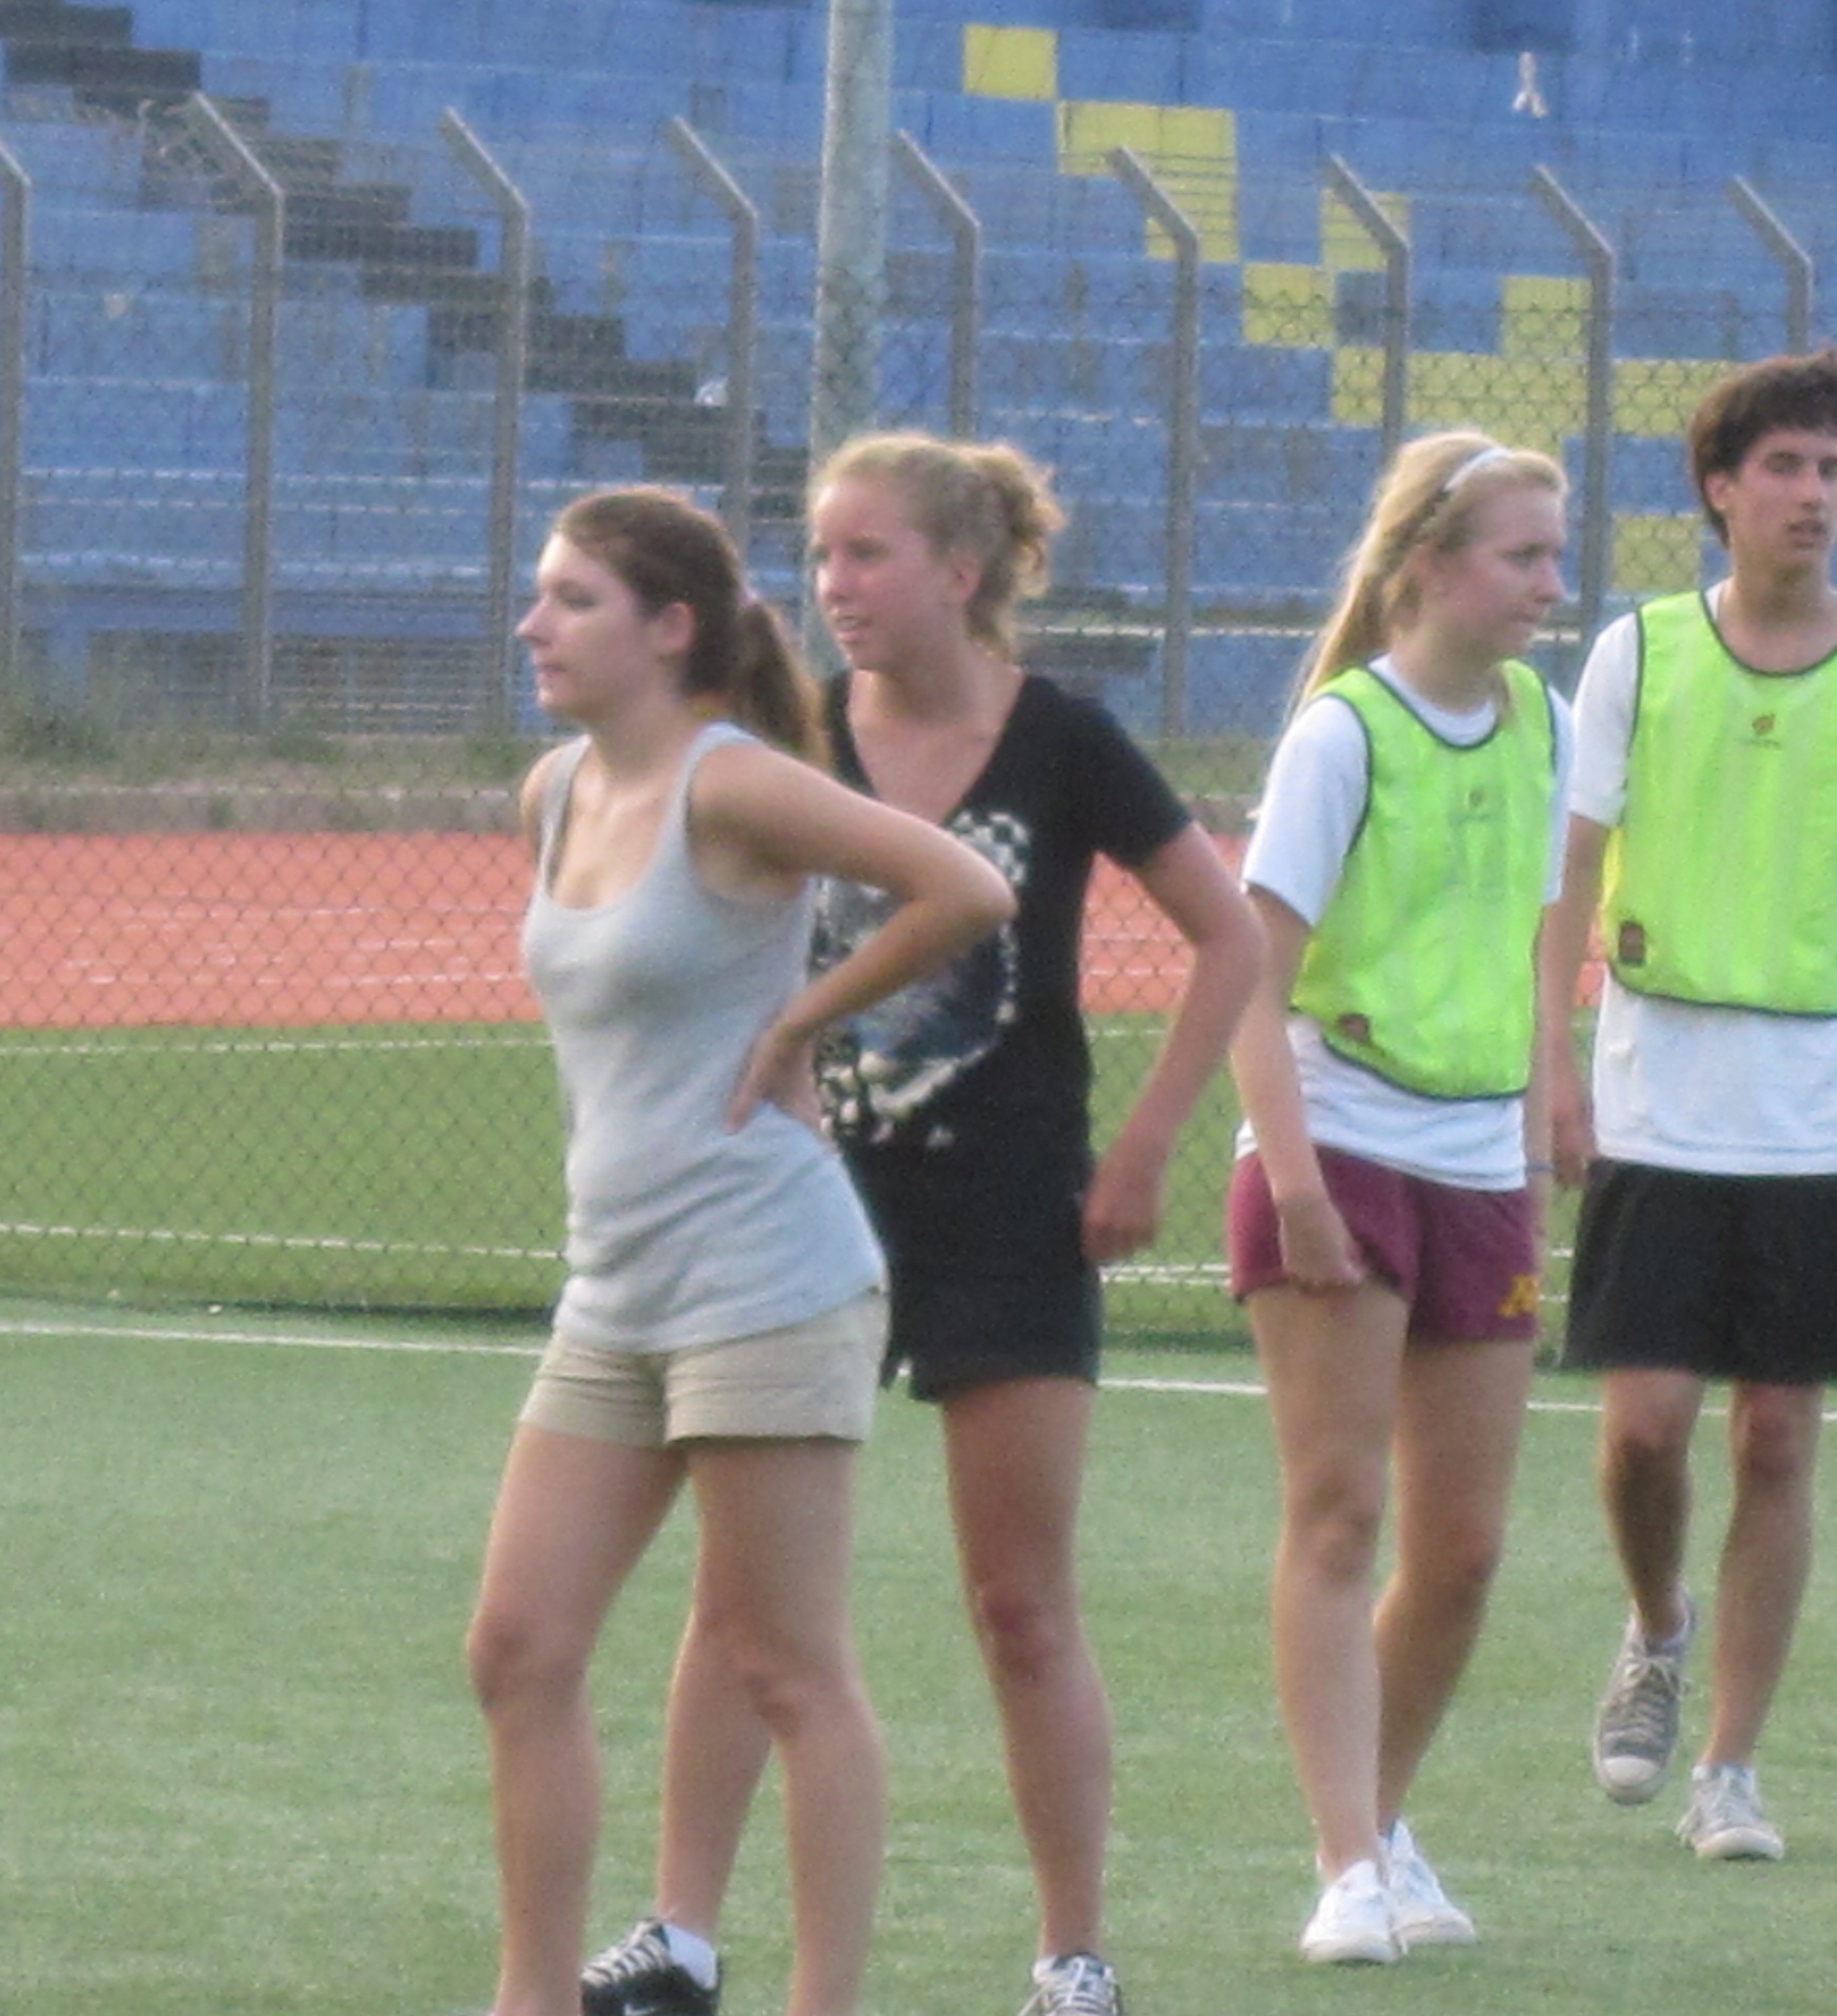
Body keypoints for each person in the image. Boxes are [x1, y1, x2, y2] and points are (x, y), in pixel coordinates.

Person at [578, 433, 1261, 2016]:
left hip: (1011, 1215)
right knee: (744, 1600)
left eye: (866, 554)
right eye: (819, 556)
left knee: (1019, 1605)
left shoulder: (1065, 742)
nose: (834, 585)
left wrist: (1145, 1144)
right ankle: (680, 1935)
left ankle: (1072, 1957)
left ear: (961, 572)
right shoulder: (786, 741)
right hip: (798, 1210)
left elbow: (1226, 938)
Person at [465, 485, 1013, 2016]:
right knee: (516, 1648)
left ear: (669, 628)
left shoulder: (737, 785)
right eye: (540, 594)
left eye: (573, 600)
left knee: (785, 1666)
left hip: (766, 1279)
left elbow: (967, 887)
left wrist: (800, 1023)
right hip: (617, 1287)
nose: (535, 625)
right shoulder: (553, 791)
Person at [1538, 347, 1837, 1863]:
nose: (1813, 495)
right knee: (1645, 1431)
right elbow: (1569, 869)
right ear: (1718, 490)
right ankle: (1655, 1624)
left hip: (1826, 1109)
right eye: (1783, 467)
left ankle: (1728, 1768)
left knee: (1777, 1439)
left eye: (1832, 469)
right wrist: (1550, 1060)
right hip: (1658, 1096)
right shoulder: (1637, 653)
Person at [1225, 431, 1574, 1964]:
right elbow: (1248, 982)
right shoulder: (1342, 736)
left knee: (1465, 1547)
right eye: (1522, 556)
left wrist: (1541, 1131)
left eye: (1552, 554)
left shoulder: (1544, 722)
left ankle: (1379, 1819)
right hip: (1340, 1145)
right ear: (1429, 567)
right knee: (1338, 1512)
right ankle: (1344, 1866)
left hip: (1479, 1160)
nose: (1550, 585)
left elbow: (1537, 943)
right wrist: (1295, 1180)